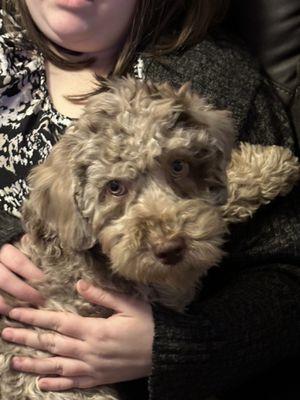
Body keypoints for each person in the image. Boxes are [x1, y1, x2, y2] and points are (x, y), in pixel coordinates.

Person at [0, 1, 299, 399]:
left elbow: (288, 278)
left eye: (176, 168)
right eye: (116, 188)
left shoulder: (223, 80)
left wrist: (180, 346)